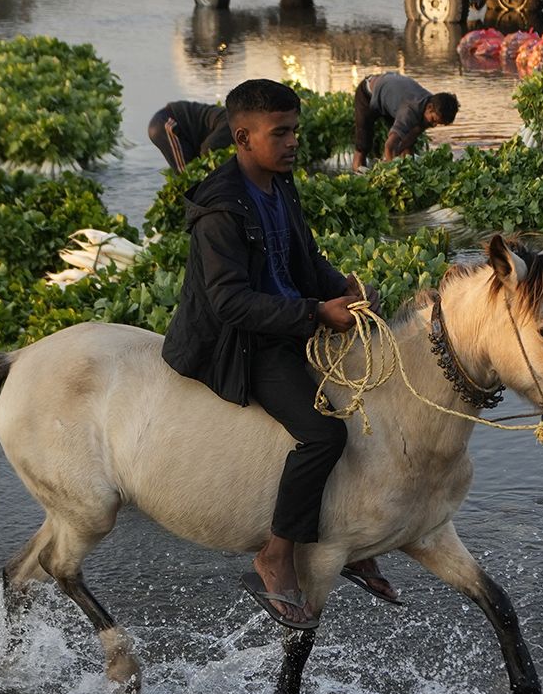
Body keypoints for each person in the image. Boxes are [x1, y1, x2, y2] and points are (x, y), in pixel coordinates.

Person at [161, 78, 395, 631]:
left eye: (295, 131)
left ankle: (349, 537)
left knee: (367, 403)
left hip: (287, 325)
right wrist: (316, 313)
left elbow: (304, 258)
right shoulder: (220, 209)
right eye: (281, 133)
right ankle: (275, 556)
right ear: (242, 136)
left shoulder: (280, 185)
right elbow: (229, 302)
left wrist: (346, 290)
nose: (293, 143)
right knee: (324, 433)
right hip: (241, 343)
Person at [350, 72, 457, 172]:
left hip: (392, 96)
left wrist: (401, 158)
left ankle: (403, 168)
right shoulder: (409, 111)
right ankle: (357, 171)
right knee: (363, 143)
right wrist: (392, 172)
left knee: (407, 145)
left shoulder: (432, 104)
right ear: (429, 107)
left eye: (438, 124)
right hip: (367, 93)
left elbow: (412, 135)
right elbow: (389, 146)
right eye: (434, 120)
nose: (433, 125)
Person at [147, 100, 232, 172]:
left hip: (174, 127)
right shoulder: (230, 124)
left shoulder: (227, 117)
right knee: (187, 174)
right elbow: (208, 149)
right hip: (167, 123)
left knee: (188, 171)